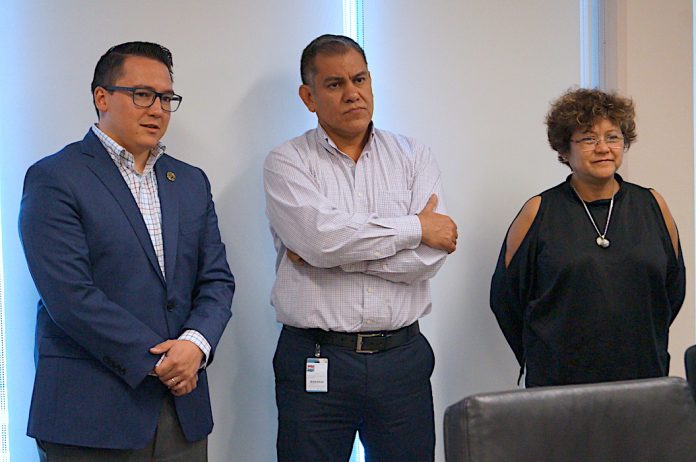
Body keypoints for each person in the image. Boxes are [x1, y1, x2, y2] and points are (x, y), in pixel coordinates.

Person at [19, 41, 235, 461]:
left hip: (182, 410)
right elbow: (70, 296)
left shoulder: (190, 182)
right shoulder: (55, 178)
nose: (157, 109)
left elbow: (216, 280)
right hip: (90, 413)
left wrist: (195, 344)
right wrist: (161, 362)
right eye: (142, 94)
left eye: (166, 98)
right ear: (102, 97)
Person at [263, 34, 458, 462]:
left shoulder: (414, 156)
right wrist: (415, 227)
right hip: (317, 357)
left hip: (401, 359)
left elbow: (428, 257)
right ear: (308, 97)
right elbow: (321, 239)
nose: (352, 93)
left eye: (360, 79)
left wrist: (328, 256)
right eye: (334, 84)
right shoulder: (287, 162)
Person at [490, 88, 685, 387]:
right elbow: (506, 299)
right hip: (560, 382)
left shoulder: (652, 204)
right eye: (588, 139)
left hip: (643, 374)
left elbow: (672, 289)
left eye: (613, 137)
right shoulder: (538, 211)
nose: (603, 148)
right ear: (564, 150)